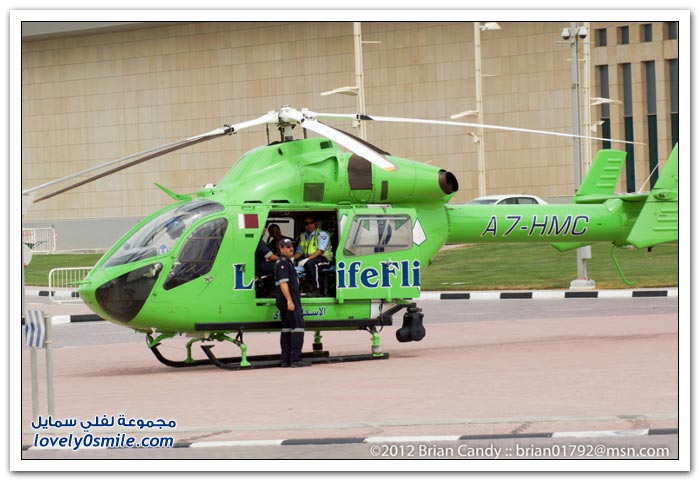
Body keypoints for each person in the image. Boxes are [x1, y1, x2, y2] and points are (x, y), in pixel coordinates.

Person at [274, 238, 311, 368]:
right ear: (281, 248)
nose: (291, 248)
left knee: (286, 329)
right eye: (288, 246)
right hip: (289, 299)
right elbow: (283, 283)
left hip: (284, 300)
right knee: (298, 327)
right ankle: (296, 360)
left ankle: (286, 360)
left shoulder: (284, 262)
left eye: (292, 246)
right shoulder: (284, 263)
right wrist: (290, 300)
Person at [293, 216, 333, 296]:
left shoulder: (321, 234)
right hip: (311, 259)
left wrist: (306, 259)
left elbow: (320, 250)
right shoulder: (303, 236)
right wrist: (292, 258)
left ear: (315, 224)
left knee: (310, 264)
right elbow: (300, 251)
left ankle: (317, 289)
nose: (309, 225)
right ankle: (303, 289)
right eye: (306, 224)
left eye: (311, 223)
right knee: (296, 264)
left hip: (325, 259)